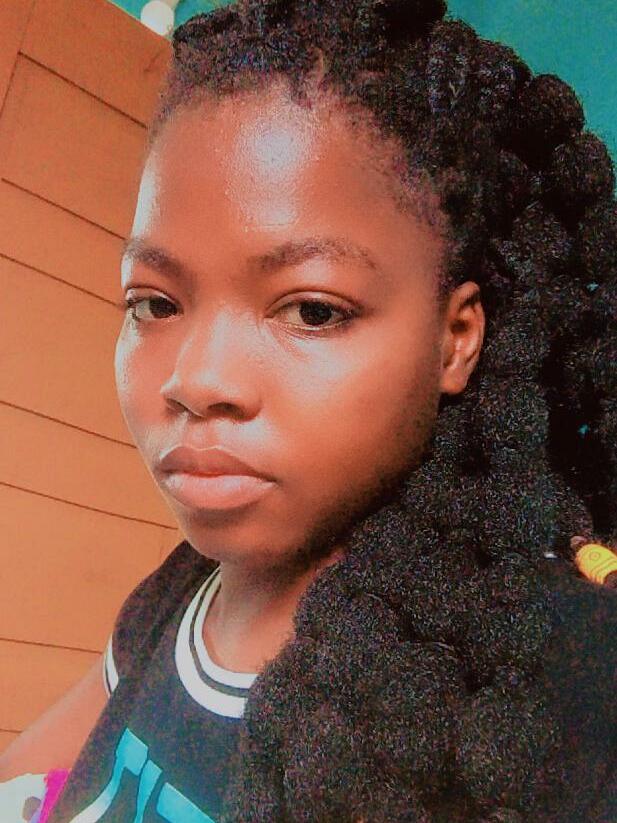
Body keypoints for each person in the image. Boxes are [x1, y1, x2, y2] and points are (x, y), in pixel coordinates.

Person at [0, 0, 615, 820]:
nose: (195, 379)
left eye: (312, 310)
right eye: (154, 303)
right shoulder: (181, 594)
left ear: (454, 339)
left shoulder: (548, 681)